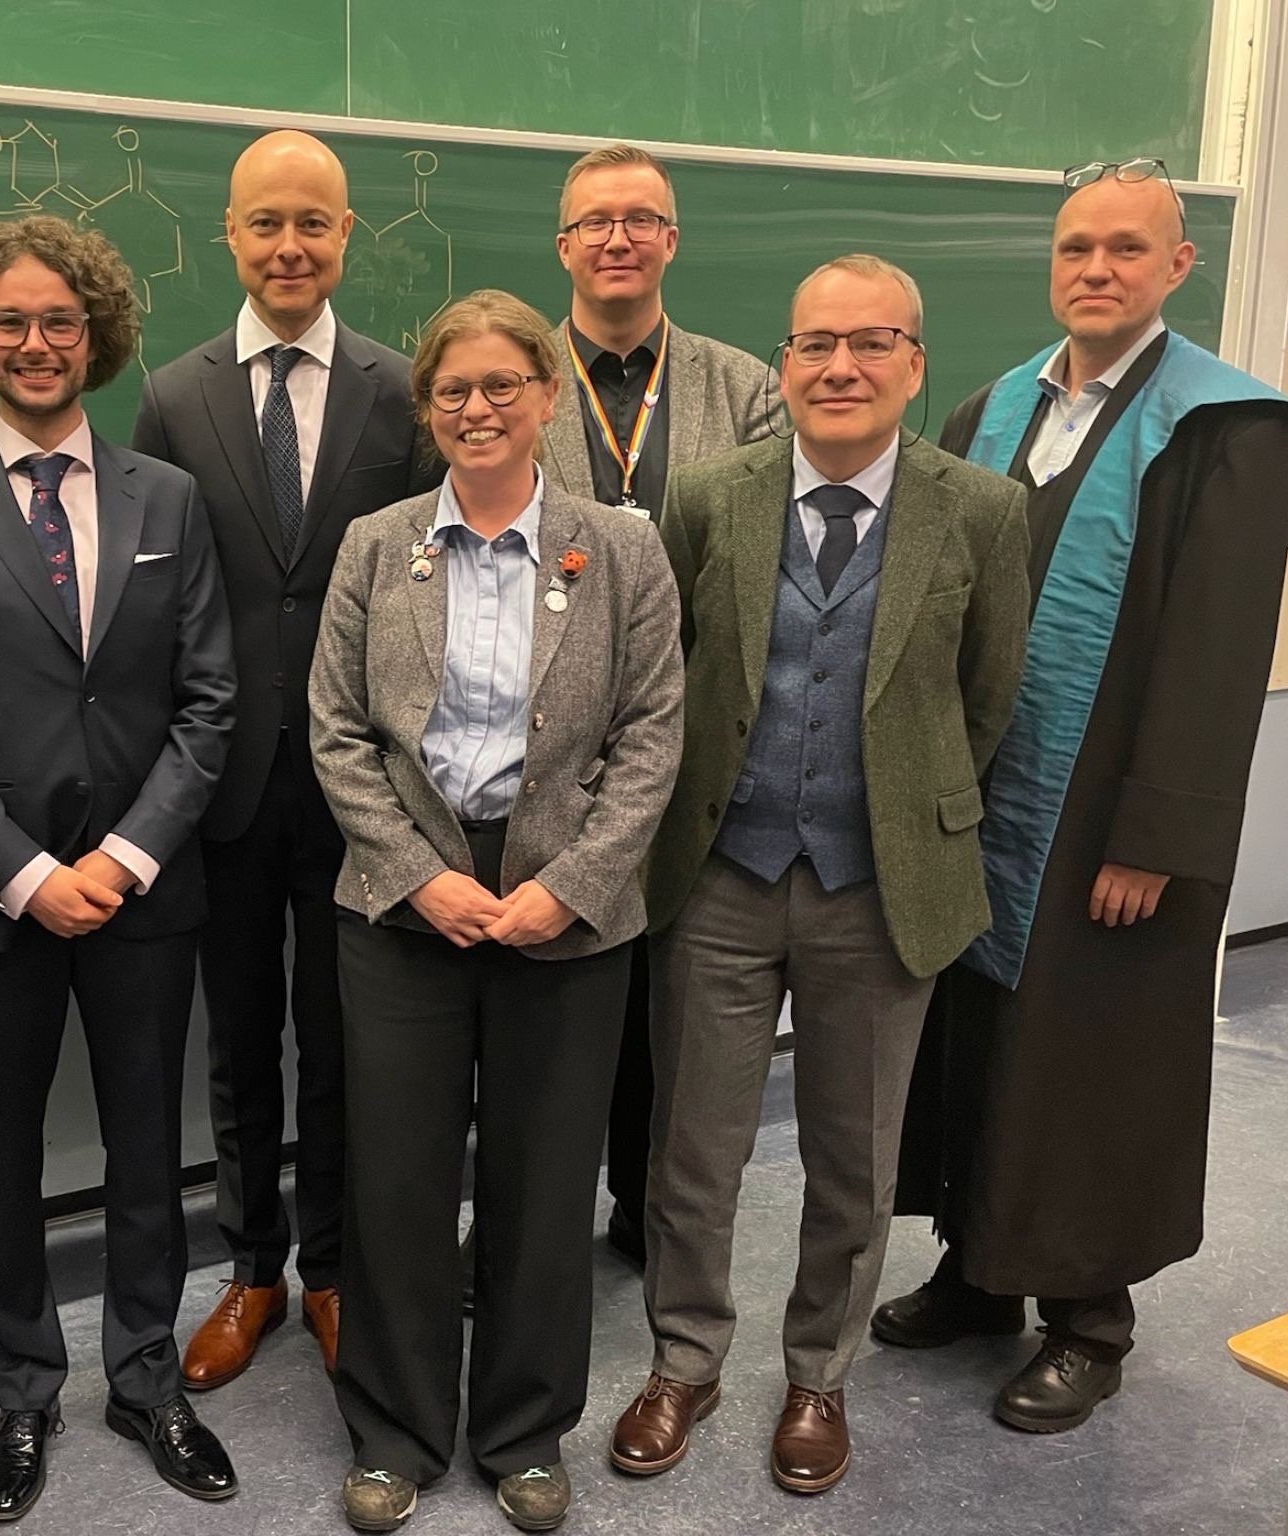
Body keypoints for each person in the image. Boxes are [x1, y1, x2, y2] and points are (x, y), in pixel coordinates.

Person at [877, 159, 1288, 1433]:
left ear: (1177, 265)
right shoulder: (991, 406)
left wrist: (1154, 836)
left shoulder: (1227, 430)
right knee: (977, 1042)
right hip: (987, 799)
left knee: (1089, 1058)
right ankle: (976, 1273)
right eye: (1075, 247)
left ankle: (1087, 1317)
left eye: (1126, 248)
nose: (1096, 269)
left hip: (1111, 810)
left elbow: (1218, 657)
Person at [615, 255, 1031, 1496]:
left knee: (853, 1159)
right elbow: (670, 672)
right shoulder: (707, 497)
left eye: (869, 342)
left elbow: (985, 699)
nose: (838, 366)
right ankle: (684, 1360)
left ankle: (816, 1377)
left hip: (880, 887)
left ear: (913, 363)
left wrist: (900, 810)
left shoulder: (980, 511)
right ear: (783, 363)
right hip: (718, 875)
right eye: (813, 344)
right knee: (693, 1150)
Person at [0, 214, 239, 1520]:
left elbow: (208, 703)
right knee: (6, 1158)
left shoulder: (167, 499)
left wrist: (124, 860)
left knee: (148, 1150)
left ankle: (145, 1379)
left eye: (60, 321)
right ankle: (22, 1392)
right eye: (10, 322)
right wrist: (29, 874)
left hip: (145, 894)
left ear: (98, 336)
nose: (36, 342)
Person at [310, 289, 685, 1533]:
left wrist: (566, 889)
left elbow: (650, 738)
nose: (477, 409)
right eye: (452, 390)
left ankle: (523, 1432)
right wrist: (420, 876)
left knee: (542, 1182)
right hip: (402, 906)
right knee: (398, 1182)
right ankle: (396, 1433)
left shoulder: (618, 549)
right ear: (427, 408)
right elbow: (336, 733)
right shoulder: (376, 547)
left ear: (545, 396)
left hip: (563, 913)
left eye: (501, 386)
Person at [130, 129, 431, 1389]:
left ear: (346, 233)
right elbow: (154, 599)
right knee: (240, 1045)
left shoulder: (403, 391)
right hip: (225, 787)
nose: (289, 245)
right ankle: (250, 1267)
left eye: (313, 222)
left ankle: (334, 1270)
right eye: (266, 222)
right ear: (230, 234)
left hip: (366, 788)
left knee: (346, 1044)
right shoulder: (172, 395)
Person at [540, 142, 775, 1267]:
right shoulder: (512, 378)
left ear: (671, 240)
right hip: (542, 755)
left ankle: (648, 1212)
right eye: (596, 221)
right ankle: (533, 1219)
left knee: (672, 1004)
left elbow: (767, 567)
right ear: (564, 246)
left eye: (641, 219)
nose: (618, 238)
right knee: (550, 1003)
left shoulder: (748, 390)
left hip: (691, 752)